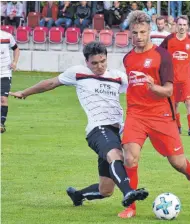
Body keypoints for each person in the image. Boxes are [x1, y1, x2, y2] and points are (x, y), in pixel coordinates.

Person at [9, 42, 148, 215]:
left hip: (117, 131)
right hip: (98, 129)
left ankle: (78, 195)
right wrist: (25, 93)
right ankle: (128, 192)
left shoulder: (118, 76)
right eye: (94, 63)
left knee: (106, 190)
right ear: (86, 62)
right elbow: (50, 83)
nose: (99, 66)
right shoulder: (78, 73)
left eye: (103, 61)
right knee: (116, 155)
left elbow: (139, 92)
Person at [118, 11, 190, 219]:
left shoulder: (163, 56)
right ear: (130, 34)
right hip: (136, 114)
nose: (139, 36)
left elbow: (169, 91)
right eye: (135, 33)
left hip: (161, 115)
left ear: (149, 31)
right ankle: (131, 206)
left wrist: (153, 87)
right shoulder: (128, 58)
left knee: (177, 162)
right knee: (130, 158)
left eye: (143, 32)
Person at [160, 15, 190, 136]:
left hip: (186, 78)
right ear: (176, 25)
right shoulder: (169, 40)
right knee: (174, 103)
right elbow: (160, 54)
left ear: (187, 26)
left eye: (184, 25)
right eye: (180, 24)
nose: (182, 27)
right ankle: (178, 126)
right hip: (172, 78)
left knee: (188, 102)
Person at [0, 29, 20, 133]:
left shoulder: (7, 36)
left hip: (5, 73)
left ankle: (1, 123)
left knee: (3, 99)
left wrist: (15, 62)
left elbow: (16, 49)